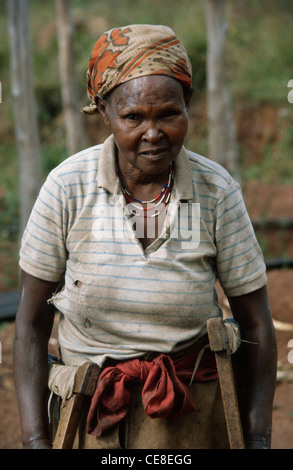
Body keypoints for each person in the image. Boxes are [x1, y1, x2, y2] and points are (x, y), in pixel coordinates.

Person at [14, 24, 277, 450]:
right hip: (91, 411)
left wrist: (260, 438)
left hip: (192, 411)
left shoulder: (217, 191)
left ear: (187, 105)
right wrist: (34, 440)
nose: (152, 133)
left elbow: (255, 321)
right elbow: (29, 323)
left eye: (168, 115)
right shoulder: (67, 187)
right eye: (133, 117)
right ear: (104, 112)